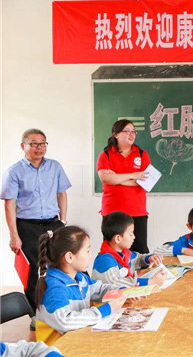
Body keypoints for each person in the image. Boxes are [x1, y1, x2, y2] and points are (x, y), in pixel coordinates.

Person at [0, 128, 71, 314]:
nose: (39, 147)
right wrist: (14, 236)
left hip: (53, 224)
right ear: (23, 146)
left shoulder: (55, 167)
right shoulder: (14, 171)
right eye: (34, 144)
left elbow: (62, 193)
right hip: (27, 226)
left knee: (60, 264)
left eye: (42, 144)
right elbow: (9, 204)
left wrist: (63, 221)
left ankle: (60, 308)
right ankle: (36, 313)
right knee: (33, 271)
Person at [35, 226, 126, 345]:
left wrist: (122, 292)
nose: (90, 256)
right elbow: (65, 321)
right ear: (69, 257)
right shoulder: (54, 288)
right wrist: (105, 310)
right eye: (87, 251)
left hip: (78, 340)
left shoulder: (80, 277)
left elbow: (100, 289)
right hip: (58, 348)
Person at [97, 119, 150, 253]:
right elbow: (105, 177)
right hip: (112, 212)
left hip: (137, 212)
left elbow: (146, 182)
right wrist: (133, 175)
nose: (132, 134)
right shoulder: (106, 155)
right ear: (116, 134)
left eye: (134, 132)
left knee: (139, 252)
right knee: (112, 251)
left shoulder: (142, 154)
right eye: (127, 131)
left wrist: (117, 178)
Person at [92, 211, 166, 287]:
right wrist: (150, 282)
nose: (134, 237)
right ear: (118, 239)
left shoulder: (125, 253)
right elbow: (116, 282)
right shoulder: (104, 260)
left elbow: (138, 259)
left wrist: (149, 258)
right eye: (130, 234)